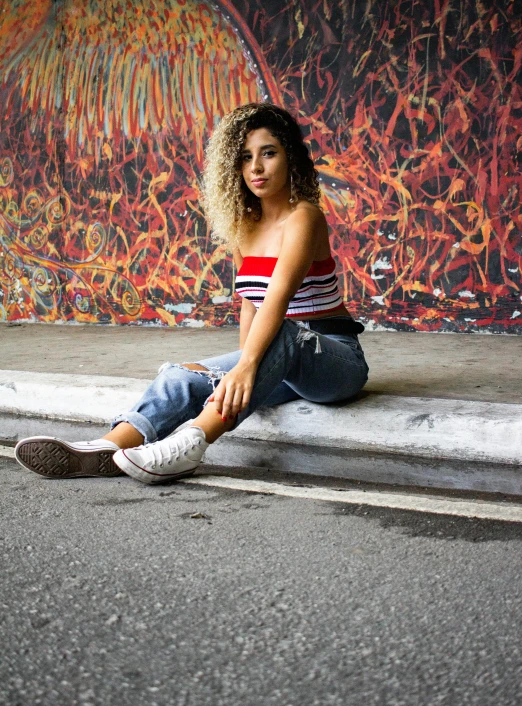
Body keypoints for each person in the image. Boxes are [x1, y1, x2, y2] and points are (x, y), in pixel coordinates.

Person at [15, 103, 369, 485]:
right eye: (245, 158)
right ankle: (107, 448)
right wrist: (237, 373)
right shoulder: (244, 227)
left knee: (282, 336)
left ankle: (190, 443)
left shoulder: (304, 216)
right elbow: (251, 303)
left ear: (290, 158)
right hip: (279, 358)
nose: (256, 168)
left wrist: (246, 366)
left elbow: (277, 301)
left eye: (269, 153)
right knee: (182, 376)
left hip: (334, 361)